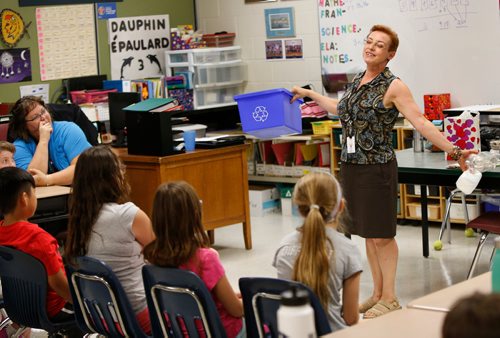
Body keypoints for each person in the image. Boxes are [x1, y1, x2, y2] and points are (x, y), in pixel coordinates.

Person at [290, 24, 477, 319]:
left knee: (382, 236)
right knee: (367, 233)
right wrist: (308, 94)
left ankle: (390, 296)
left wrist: (454, 151)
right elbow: (341, 109)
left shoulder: (394, 86)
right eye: (369, 42)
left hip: (376, 169)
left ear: (390, 54)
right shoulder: (358, 79)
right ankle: (376, 293)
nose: (371, 47)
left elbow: (421, 122)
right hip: (352, 167)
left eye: (379, 45)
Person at [64, 145, 155, 334]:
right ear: (110, 176)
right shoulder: (128, 215)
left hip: (102, 316)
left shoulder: (78, 219)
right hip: (138, 315)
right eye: (119, 167)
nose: (123, 171)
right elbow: (165, 257)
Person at [143, 181, 245, 338]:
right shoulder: (206, 258)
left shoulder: (153, 260)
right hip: (220, 332)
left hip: (179, 332)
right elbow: (236, 310)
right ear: (195, 216)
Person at [273, 172, 362, 331]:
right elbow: (351, 318)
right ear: (341, 206)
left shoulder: (284, 248)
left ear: (299, 207)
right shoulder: (348, 250)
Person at [0, 167, 81, 335]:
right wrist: (82, 302)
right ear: (24, 198)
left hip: (18, 306)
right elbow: (59, 286)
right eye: (34, 193)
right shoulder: (38, 238)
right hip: (52, 309)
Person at [8, 96, 91, 186]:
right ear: (24, 125)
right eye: (35, 117)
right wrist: (43, 140)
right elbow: (31, 181)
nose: (43, 117)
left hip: (80, 190)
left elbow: (82, 170)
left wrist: (47, 180)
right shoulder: (18, 147)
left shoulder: (69, 130)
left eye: (43, 111)